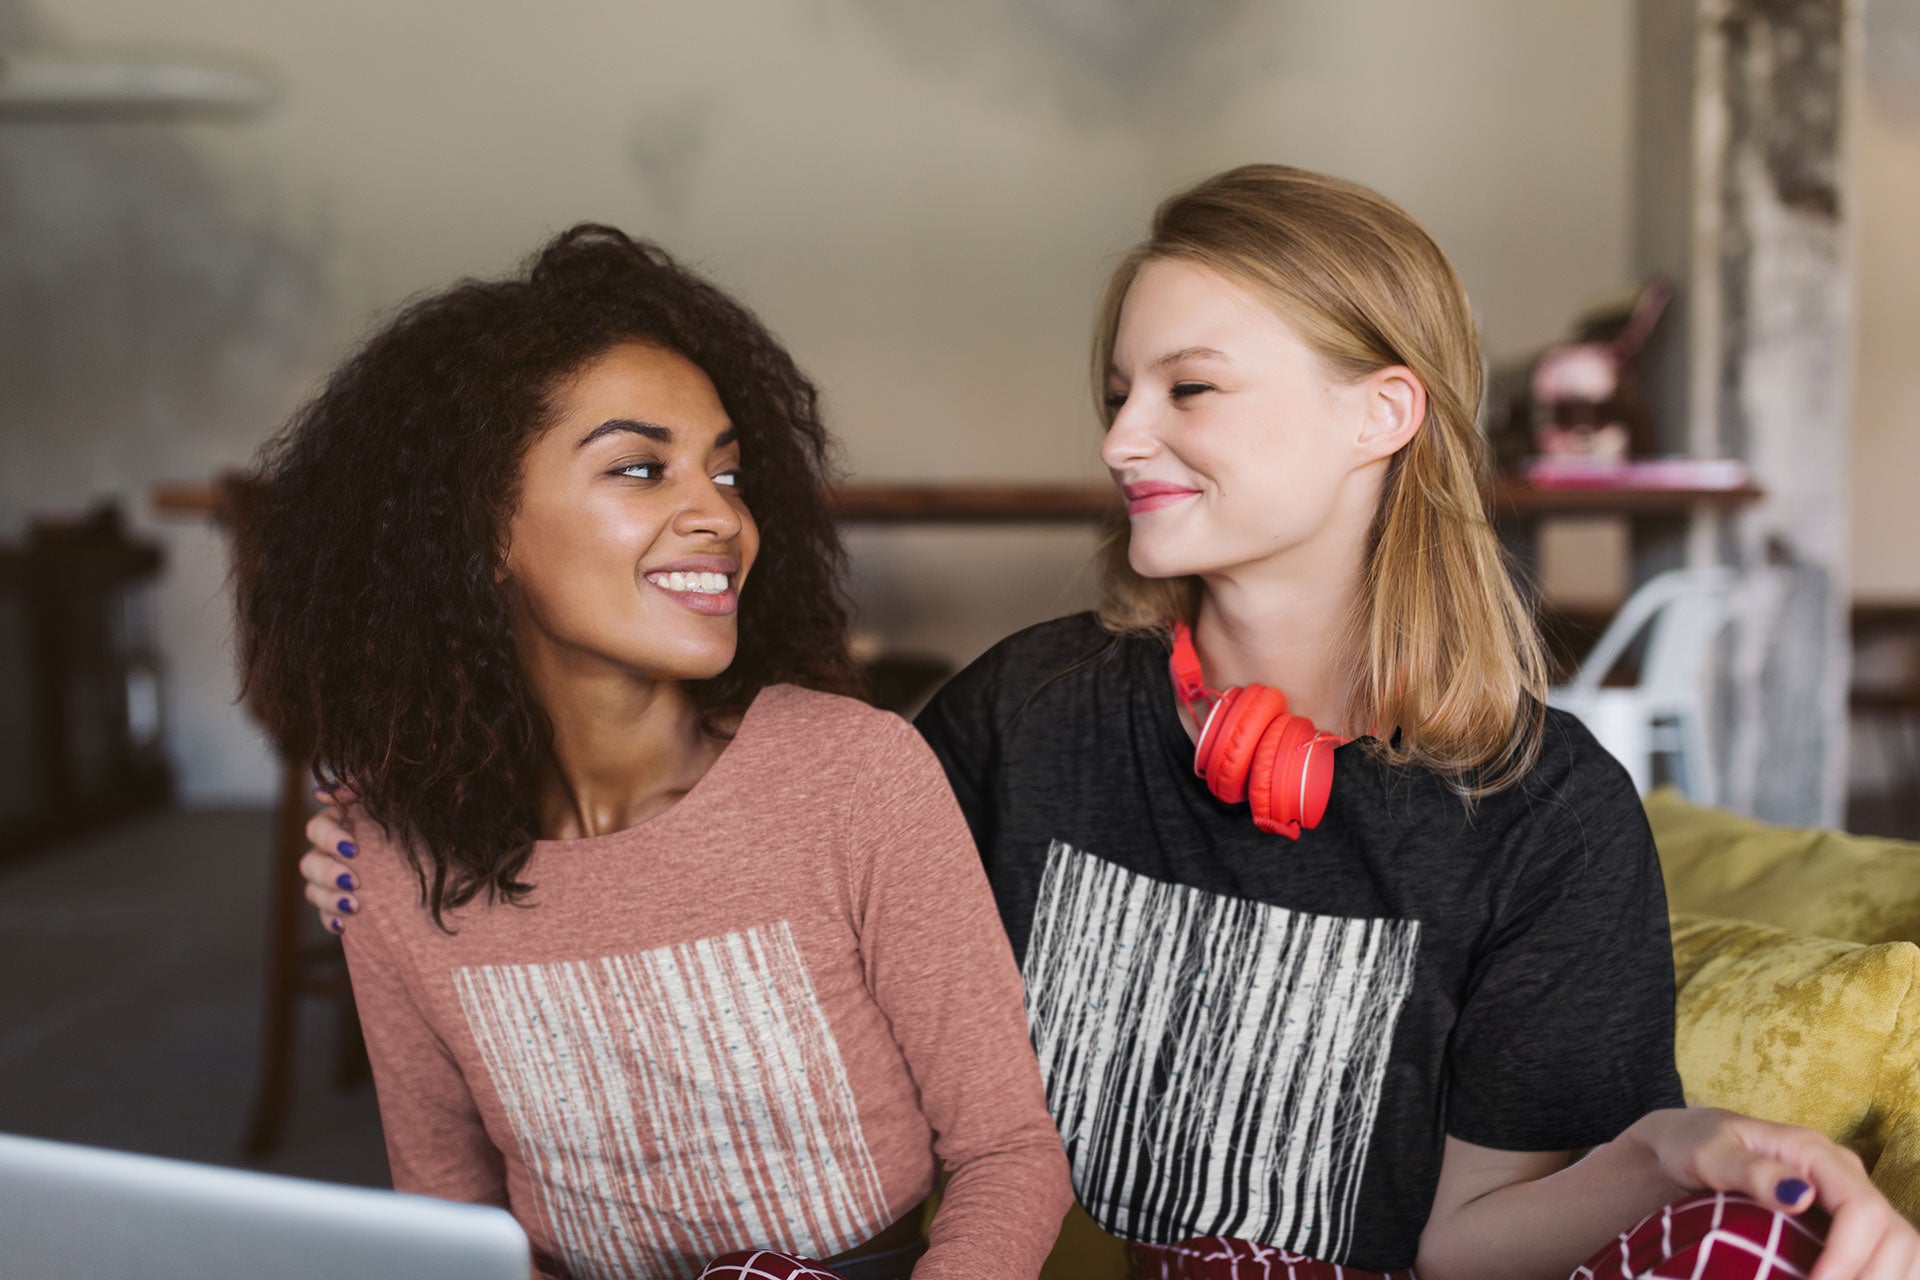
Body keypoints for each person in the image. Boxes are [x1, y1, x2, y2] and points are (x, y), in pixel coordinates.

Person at [296, 170, 1919, 1280]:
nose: (1124, 433)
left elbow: (1467, 1237)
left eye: (1189, 388)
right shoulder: (1032, 709)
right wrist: (430, 836)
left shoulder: (1549, 818)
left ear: (1383, 413)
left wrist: (1686, 1150)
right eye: (1120, 388)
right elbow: (765, 922)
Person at [235, 225, 1071, 1280]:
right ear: (479, 526)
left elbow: (1008, 1149)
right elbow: (449, 1213)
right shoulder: (388, 856)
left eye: (728, 471)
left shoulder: (854, 774)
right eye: (641, 467)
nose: (717, 513)